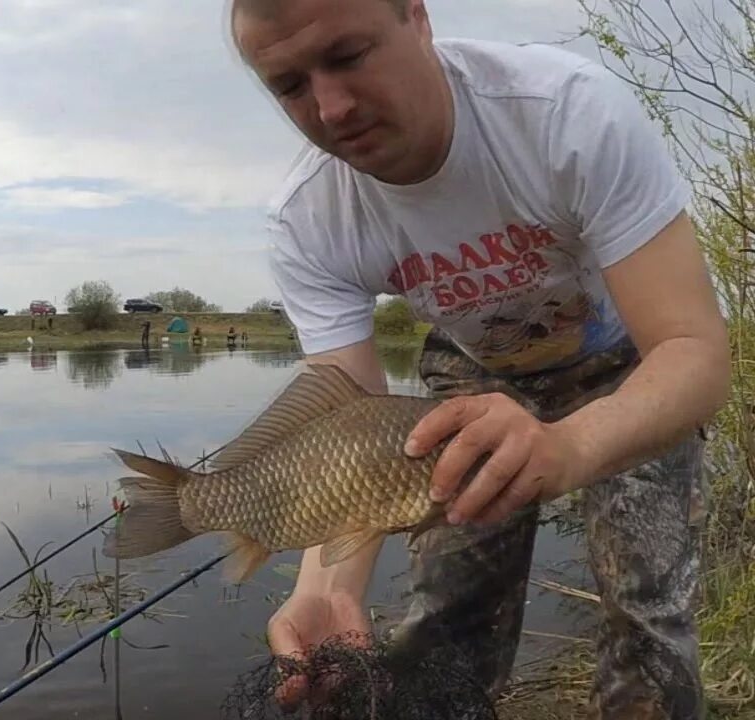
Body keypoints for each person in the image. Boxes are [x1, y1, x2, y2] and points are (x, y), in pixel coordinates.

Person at [230, 0, 730, 717]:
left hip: (627, 363)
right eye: (289, 86)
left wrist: (565, 446)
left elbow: (694, 352)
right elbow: (341, 422)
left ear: (417, 17)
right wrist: (327, 591)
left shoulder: (565, 114)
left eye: (348, 56)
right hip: (474, 374)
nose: (331, 108)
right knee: (442, 630)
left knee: (648, 617)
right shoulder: (309, 218)